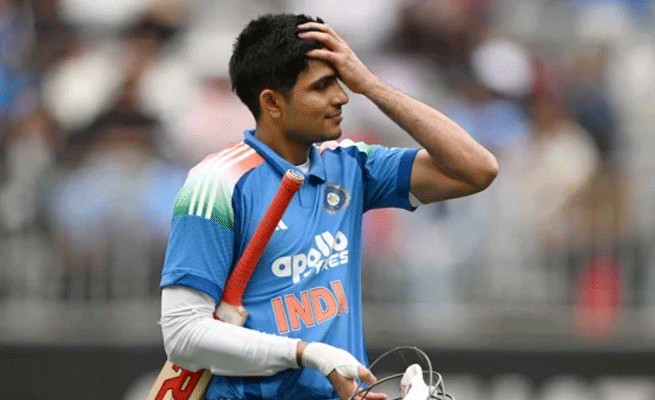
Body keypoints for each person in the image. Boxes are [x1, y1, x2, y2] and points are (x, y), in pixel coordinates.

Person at [159, 13, 497, 400]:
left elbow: (477, 170)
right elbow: (183, 336)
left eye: (340, 81)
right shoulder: (216, 183)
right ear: (272, 102)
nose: (341, 97)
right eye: (321, 86)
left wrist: (371, 86)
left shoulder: (351, 165)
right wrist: (305, 354)